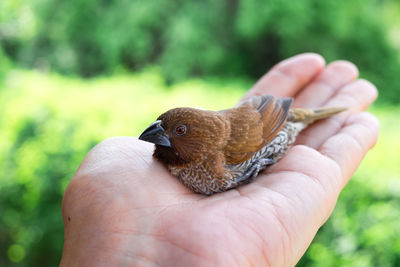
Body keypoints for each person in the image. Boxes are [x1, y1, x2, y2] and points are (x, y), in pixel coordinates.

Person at [60, 53, 379, 266]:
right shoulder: (181, 159)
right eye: (163, 127)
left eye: (178, 130)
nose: (158, 134)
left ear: (197, 136)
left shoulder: (226, 149)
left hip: (277, 124)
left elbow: (272, 116)